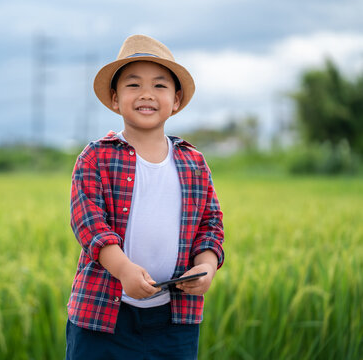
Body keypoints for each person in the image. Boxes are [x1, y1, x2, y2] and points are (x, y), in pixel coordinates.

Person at [66, 34, 225, 360]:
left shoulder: (193, 162)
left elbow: (211, 224)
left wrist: (206, 266)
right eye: (133, 85)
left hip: (174, 320)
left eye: (160, 86)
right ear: (114, 98)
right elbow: (89, 224)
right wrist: (123, 270)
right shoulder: (96, 157)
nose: (147, 95)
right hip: (103, 315)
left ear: (176, 100)